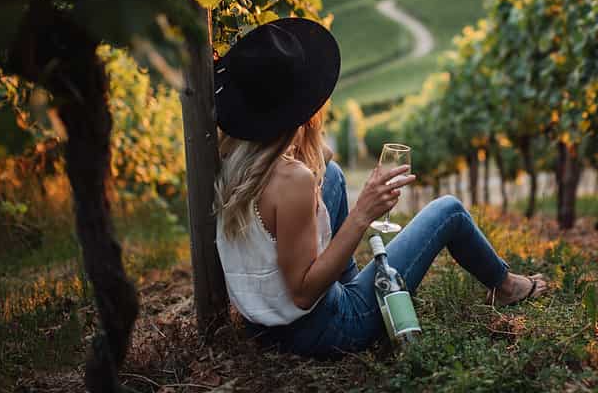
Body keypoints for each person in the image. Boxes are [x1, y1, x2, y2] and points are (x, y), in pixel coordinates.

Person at [213, 18, 547, 357]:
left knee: (332, 173)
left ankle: (353, 282)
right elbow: (302, 294)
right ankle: (505, 286)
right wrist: (363, 213)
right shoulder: (292, 180)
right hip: (321, 330)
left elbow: (313, 170)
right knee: (449, 210)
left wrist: (308, 143)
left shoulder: (233, 157)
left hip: (262, 326)